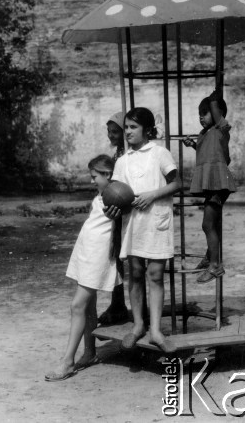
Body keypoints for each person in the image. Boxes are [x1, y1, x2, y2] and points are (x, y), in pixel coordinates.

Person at [106, 107, 181, 353]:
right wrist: (114, 209)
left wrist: (151, 195)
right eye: (126, 127)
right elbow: (115, 194)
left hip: (156, 221)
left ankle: (156, 331)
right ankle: (138, 325)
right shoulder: (122, 161)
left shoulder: (160, 153)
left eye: (133, 127)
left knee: (156, 275)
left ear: (147, 130)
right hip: (134, 223)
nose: (127, 132)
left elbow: (177, 183)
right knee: (135, 273)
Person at [45, 155, 120, 382]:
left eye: (94, 176)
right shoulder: (102, 194)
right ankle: (90, 353)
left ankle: (68, 361)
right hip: (86, 251)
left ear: (107, 175)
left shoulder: (117, 197)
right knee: (89, 306)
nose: (91, 181)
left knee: (77, 305)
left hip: (98, 256)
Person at [182, 90, 236, 283]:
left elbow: (216, 109)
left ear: (217, 114)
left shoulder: (221, 128)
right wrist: (193, 145)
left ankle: (215, 265)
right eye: (200, 113)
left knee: (208, 224)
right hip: (213, 183)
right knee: (210, 224)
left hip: (218, 183)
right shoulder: (205, 134)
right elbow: (209, 153)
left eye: (205, 112)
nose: (201, 116)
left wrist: (215, 95)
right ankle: (210, 257)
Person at [97, 112, 129, 325]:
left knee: (132, 261)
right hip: (117, 213)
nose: (111, 135)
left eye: (115, 131)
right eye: (109, 131)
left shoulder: (128, 156)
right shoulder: (117, 155)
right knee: (115, 257)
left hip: (130, 212)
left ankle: (133, 306)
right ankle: (117, 304)